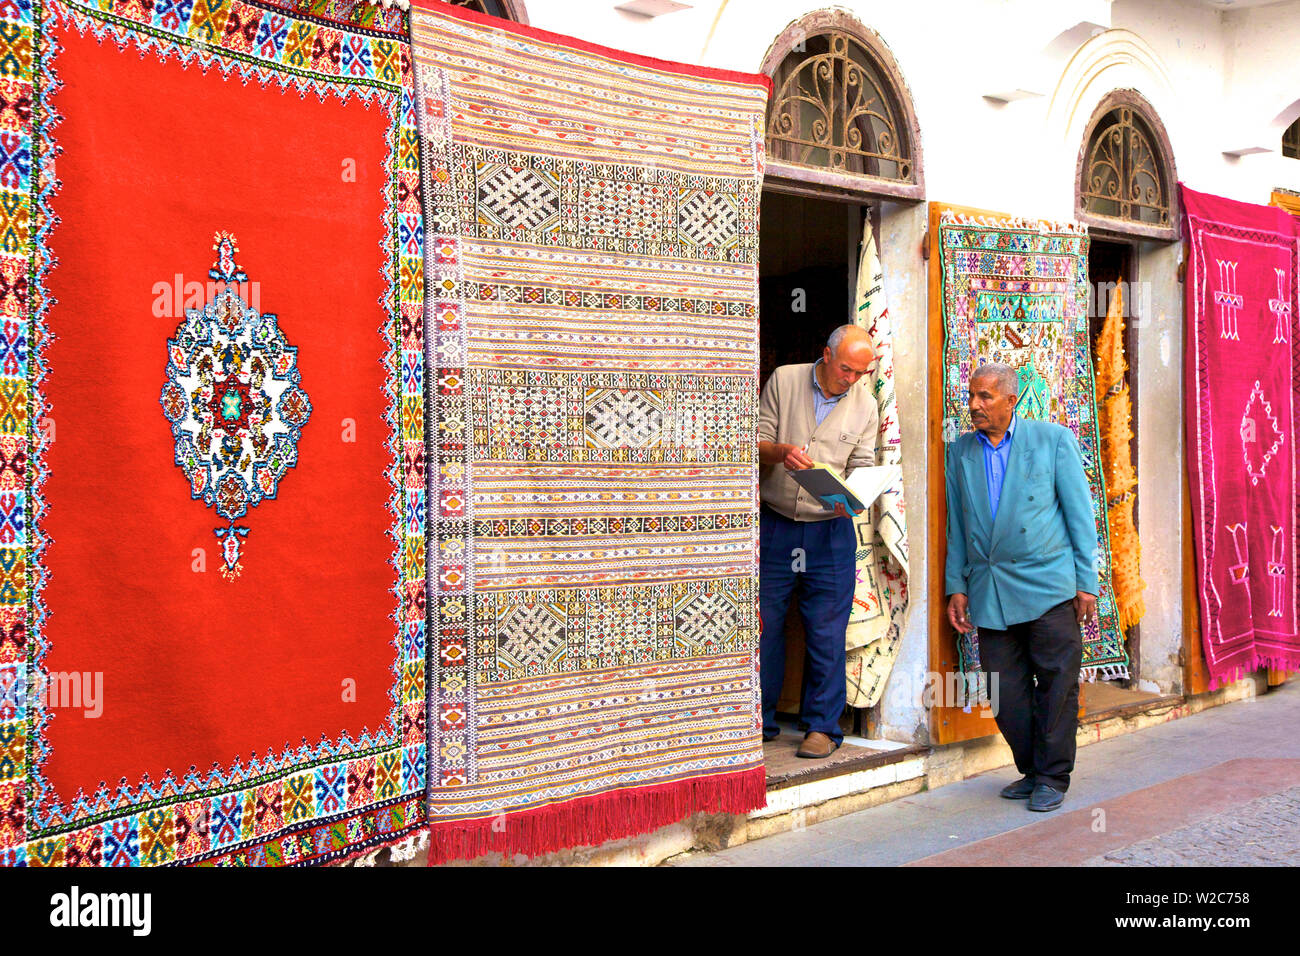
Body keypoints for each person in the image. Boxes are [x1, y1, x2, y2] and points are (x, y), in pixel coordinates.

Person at [944, 362, 1098, 812]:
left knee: (1056, 684)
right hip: (990, 591)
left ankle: (1053, 776)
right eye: (973, 395)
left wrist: (1085, 582)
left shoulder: (1052, 441)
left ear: (1011, 401)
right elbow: (959, 525)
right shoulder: (961, 453)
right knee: (1003, 690)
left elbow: (1079, 515)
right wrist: (957, 584)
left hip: (1049, 585)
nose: (974, 405)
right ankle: (1032, 770)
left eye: (985, 397)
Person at [757, 324, 877, 758]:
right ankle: (760, 721)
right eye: (846, 368)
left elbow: (864, 463)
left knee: (827, 631)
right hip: (775, 525)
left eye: (860, 372)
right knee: (763, 624)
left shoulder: (867, 403)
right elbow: (756, 442)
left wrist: (855, 497)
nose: (851, 379)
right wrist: (782, 451)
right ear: (825, 355)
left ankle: (822, 728)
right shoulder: (786, 379)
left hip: (830, 530)